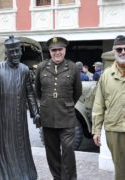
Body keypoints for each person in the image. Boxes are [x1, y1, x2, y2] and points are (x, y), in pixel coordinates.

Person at [0, 35, 40, 180]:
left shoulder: (24, 70)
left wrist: (35, 113)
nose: (16, 54)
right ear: (6, 53)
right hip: (1, 121)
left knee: (21, 149)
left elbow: (30, 93)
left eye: (18, 51)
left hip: (18, 119)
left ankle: (23, 175)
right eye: (12, 52)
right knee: (3, 150)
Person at [35, 37, 82, 180]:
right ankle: (57, 177)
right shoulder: (42, 67)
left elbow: (77, 92)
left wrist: (66, 104)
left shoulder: (72, 67)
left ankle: (69, 178)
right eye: (53, 50)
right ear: (49, 51)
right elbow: (37, 91)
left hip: (66, 117)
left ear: (64, 50)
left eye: (60, 49)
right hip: (48, 116)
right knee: (52, 152)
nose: (57, 53)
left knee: (68, 150)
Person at [92, 35, 125, 180]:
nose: (123, 52)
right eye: (119, 49)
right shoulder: (106, 75)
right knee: (120, 169)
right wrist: (96, 130)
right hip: (115, 129)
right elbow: (99, 105)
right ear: (114, 51)